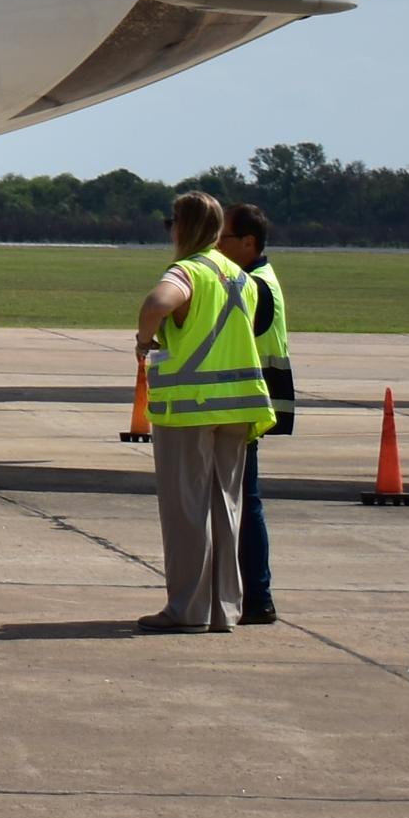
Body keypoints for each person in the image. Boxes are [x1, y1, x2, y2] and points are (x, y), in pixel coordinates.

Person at [134, 189, 273, 634]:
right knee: (225, 508)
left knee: (186, 512)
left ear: (183, 226)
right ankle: (223, 609)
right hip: (237, 407)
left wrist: (144, 342)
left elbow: (157, 303)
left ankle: (187, 610)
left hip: (190, 409)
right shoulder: (241, 277)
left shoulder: (188, 270)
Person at [222, 200, 292, 627]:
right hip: (252, 402)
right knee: (245, 501)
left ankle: (257, 597)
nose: (217, 245)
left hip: (246, 404)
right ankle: (253, 596)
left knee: (246, 503)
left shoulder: (254, 286)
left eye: (224, 238)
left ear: (248, 243)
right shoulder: (260, 278)